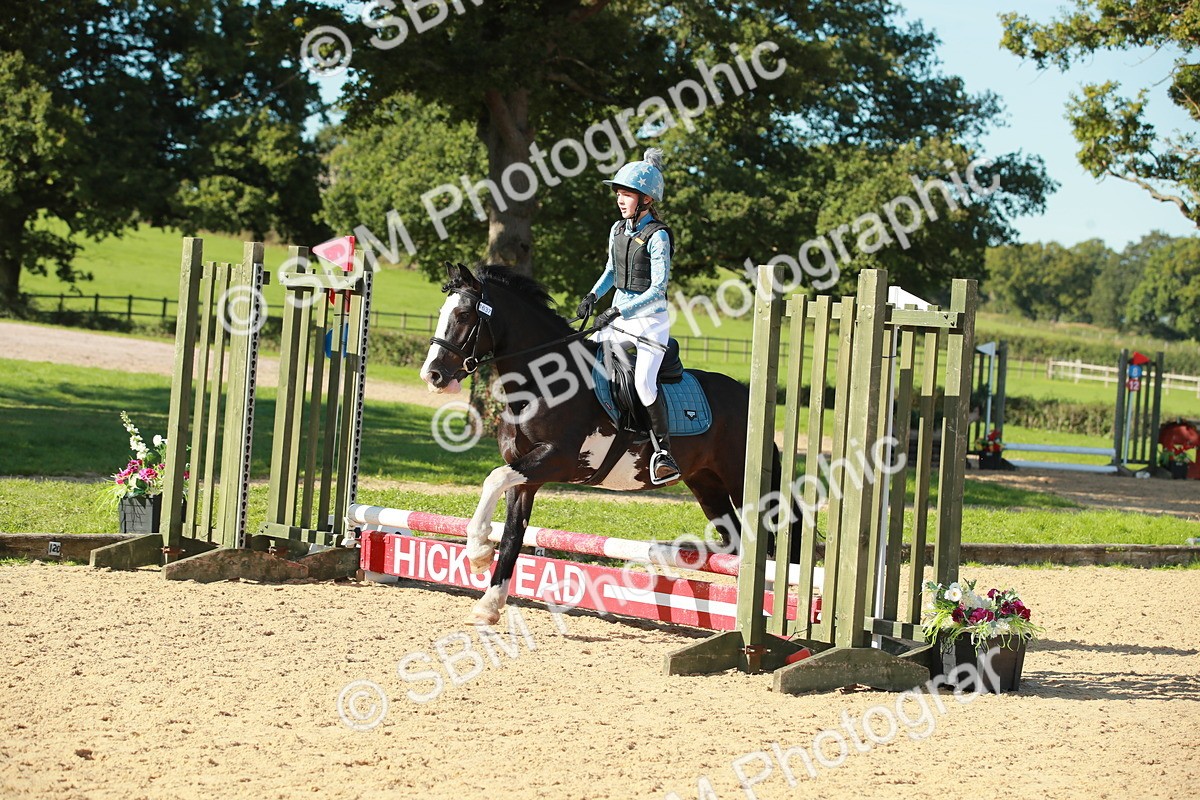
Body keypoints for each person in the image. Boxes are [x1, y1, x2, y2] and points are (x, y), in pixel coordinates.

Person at [576, 148, 679, 485]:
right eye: (619, 193)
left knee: (643, 382)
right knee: (583, 358)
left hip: (650, 320)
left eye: (628, 193)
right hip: (618, 314)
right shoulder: (617, 230)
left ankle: (663, 453)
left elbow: (658, 288)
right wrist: (593, 295)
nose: (621, 199)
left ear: (647, 198)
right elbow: (611, 270)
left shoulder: (658, 235)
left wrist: (616, 310)